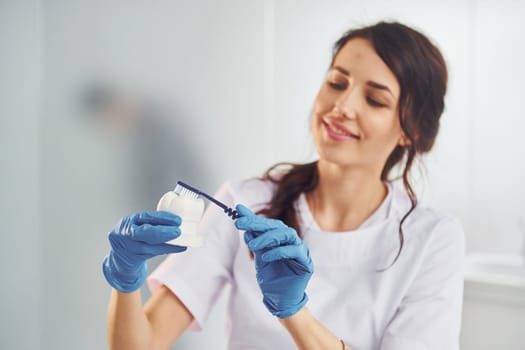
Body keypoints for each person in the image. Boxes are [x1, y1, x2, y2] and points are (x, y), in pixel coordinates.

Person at [102, 21, 465, 350]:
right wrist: (126, 280)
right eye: (337, 83)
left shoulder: (432, 239)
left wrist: (294, 313)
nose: (342, 105)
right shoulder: (245, 200)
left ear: (411, 131)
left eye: (374, 99)